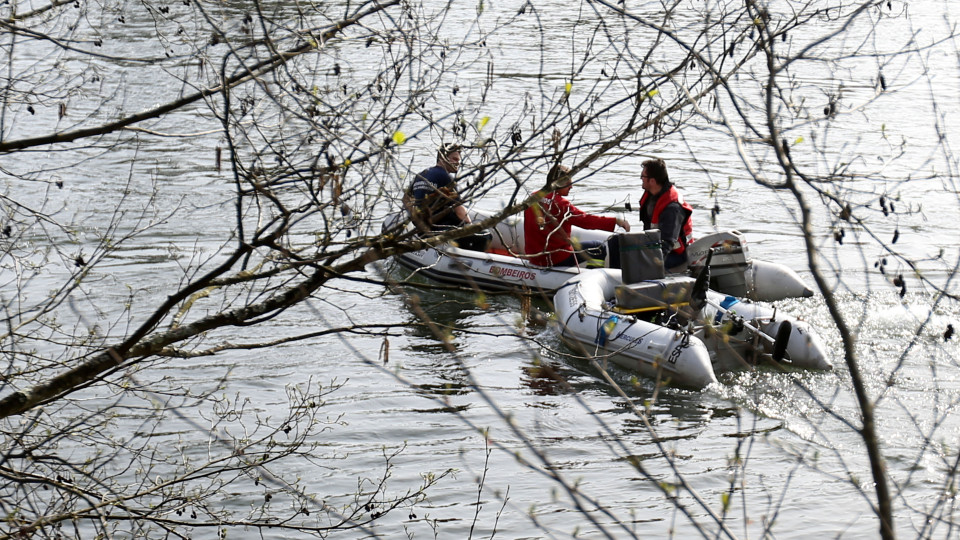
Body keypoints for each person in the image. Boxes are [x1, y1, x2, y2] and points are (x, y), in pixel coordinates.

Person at [524, 164, 630, 267]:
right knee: (598, 247)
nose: (571, 186)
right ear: (559, 183)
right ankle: (596, 273)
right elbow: (586, 221)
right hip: (556, 258)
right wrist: (616, 221)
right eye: (569, 182)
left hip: (535, 258)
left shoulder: (533, 197)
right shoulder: (561, 204)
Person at [404, 144, 489, 251]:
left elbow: (406, 198)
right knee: (485, 235)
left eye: (459, 159)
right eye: (454, 159)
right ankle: (473, 261)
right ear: (442, 158)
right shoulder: (445, 177)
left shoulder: (421, 175)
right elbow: (459, 209)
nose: (458, 162)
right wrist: (470, 227)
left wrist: (416, 220)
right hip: (442, 230)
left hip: (425, 230)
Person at [637, 158, 694, 271]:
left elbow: (667, 244)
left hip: (676, 254)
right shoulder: (651, 195)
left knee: (635, 262)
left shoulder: (673, 208)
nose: (641, 179)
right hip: (655, 246)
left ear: (652, 181)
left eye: (643, 176)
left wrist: (650, 262)